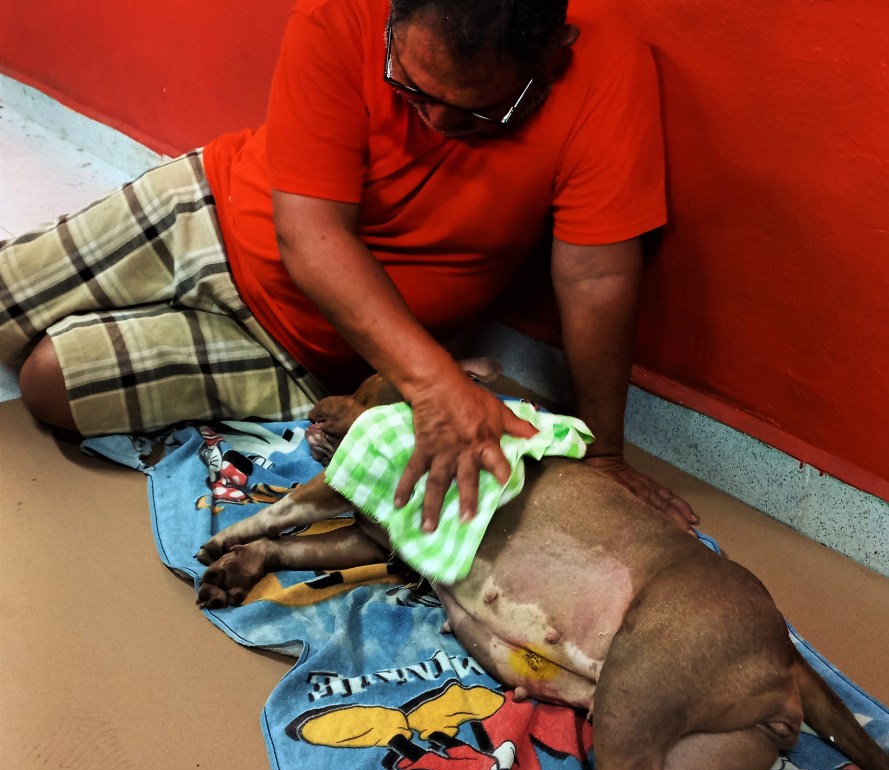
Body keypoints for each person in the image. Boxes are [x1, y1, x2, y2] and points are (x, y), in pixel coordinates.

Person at [0, 0, 696, 531]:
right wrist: (436, 387)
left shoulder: (608, 70)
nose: (436, 125)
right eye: (413, 90)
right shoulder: (342, 12)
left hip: (302, 351)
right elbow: (312, 237)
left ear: (551, 55)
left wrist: (603, 452)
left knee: (49, 382)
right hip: (204, 214)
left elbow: (595, 276)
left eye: (477, 112)